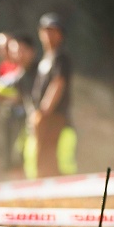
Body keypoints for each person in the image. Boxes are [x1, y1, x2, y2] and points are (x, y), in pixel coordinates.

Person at [0, 33, 39, 177]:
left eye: (6, 46)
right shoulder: (6, 69)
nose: (3, 50)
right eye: (0, 47)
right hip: (12, 114)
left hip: (29, 116)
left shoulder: (30, 69)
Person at [30, 12, 76, 178]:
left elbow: (58, 83)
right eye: (45, 30)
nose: (48, 34)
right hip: (44, 117)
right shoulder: (45, 58)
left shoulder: (60, 57)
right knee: (40, 154)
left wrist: (43, 111)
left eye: (53, 30)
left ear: (60, 34)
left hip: (53, 117)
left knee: (49, 154)